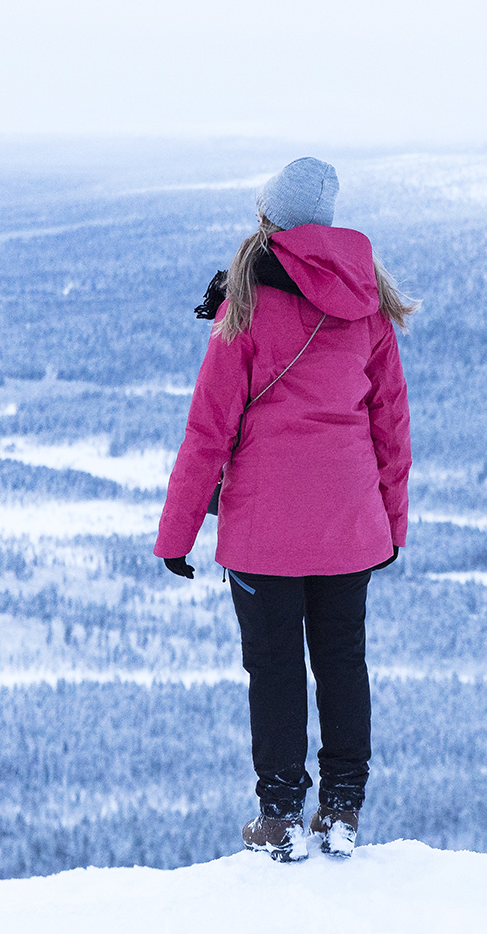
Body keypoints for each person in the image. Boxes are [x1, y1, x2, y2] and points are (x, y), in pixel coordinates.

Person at [156, 157, 415, 861]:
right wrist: (392, 522)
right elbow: (390, 424)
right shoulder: (367, 303)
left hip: (263, 533)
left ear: (269, 219)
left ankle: (279, 819)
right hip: (350, 528)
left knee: (273, 668)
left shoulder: (246, 303)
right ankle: (342, 814)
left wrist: (176, 534)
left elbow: (208, 429)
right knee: (342, 663)